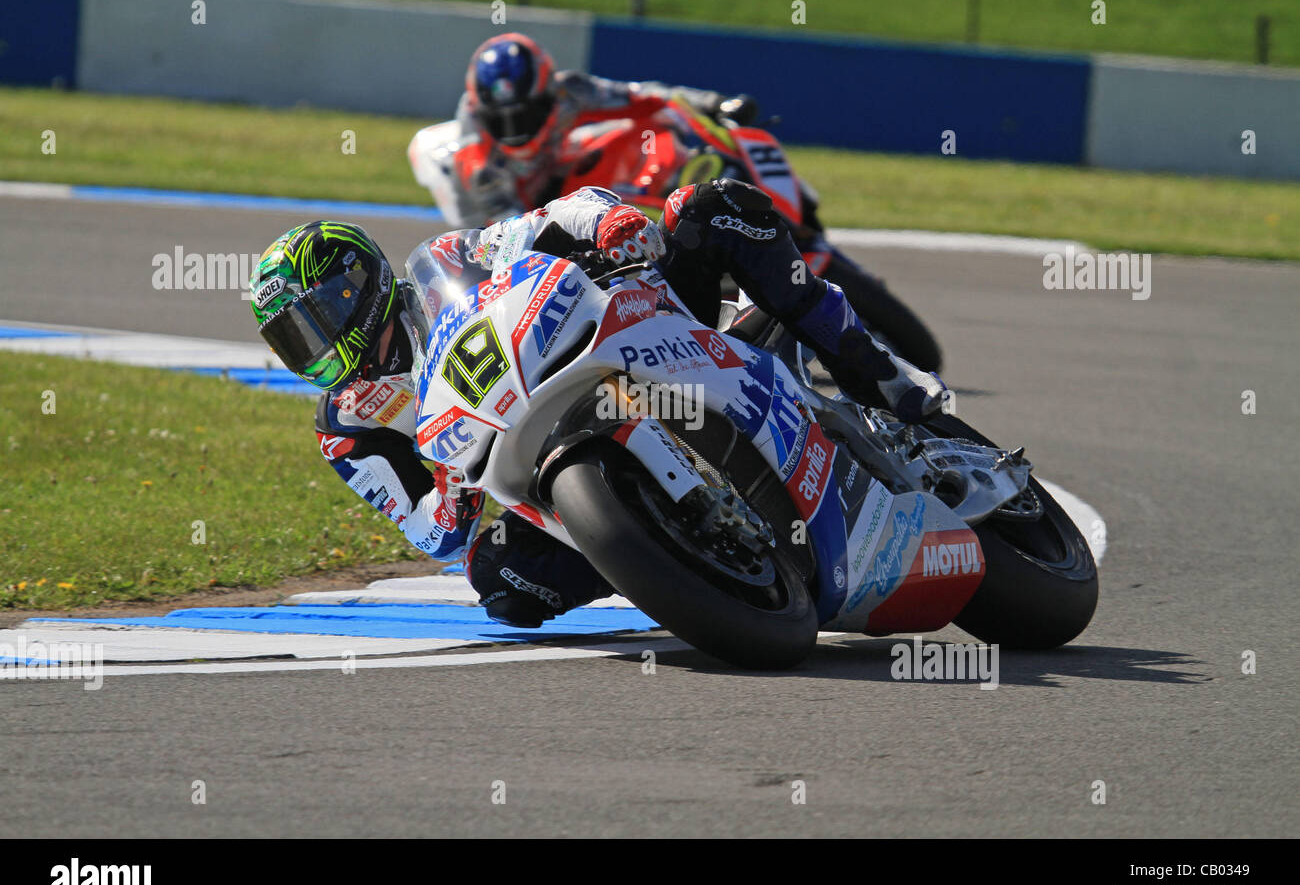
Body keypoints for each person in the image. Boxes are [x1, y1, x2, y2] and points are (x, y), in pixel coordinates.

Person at [248, 180, 943, 628]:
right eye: (291, 340)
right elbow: (430, 535)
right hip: (525, 465)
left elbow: (543, 220)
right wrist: (449, 485)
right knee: (501, 582)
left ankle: (881, 374)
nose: (311, 350)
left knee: (705, 211)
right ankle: (680, 561)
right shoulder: (348, 428)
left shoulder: (446, 262)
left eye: (314, 322)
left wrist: (607, 222)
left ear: (356, 288)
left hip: (623, 338)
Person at [430, 31, 757, 227]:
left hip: (552, 170)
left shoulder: (567, 91)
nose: (516, 130)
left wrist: (714, 102)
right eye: (502, 121)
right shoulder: (478, 164)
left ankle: (673, 195)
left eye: (525, 115)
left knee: (649, 126)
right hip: (496, 225)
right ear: (483, 112)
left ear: (547, 94)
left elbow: (644, 97)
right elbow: (511, 234)